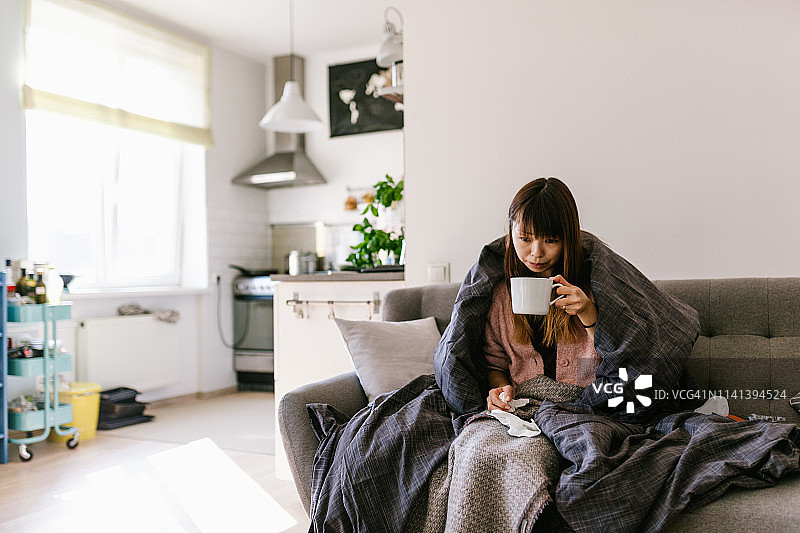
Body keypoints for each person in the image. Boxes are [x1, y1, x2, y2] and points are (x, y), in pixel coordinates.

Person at [485, 177, 602, 412]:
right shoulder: (501, 296)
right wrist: (500, 390)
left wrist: (588, 313)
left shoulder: (595, 287)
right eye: (525, 239)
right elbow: (495, 364)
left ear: (567, 239)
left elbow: (620, 360)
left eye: (550, 240)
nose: (536, 253)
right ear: (510, 235)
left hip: (583, 407)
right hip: (523, 407)